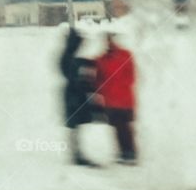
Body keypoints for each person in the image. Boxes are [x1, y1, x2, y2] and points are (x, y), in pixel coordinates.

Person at [59, 27, 100, 167]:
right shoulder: (69, 57)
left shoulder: (69, 55)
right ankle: (76, 154)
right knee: (74, 125)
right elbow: (73, 75)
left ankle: (76, 153)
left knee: (75, 126)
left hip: (73, 95)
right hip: (73, 96)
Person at [95, 32, 138, 164]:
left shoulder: (125, 55)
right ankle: (123, 153)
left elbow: (131, 76)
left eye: (110, 40)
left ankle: (130, 153)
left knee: (125, 127)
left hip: (124, 99)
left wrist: (118, 86)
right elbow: (98, 79)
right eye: (107, 40)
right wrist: (104, 90)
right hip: (111, 100)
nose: (109, 42)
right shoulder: (101, 59)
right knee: (117, 127)